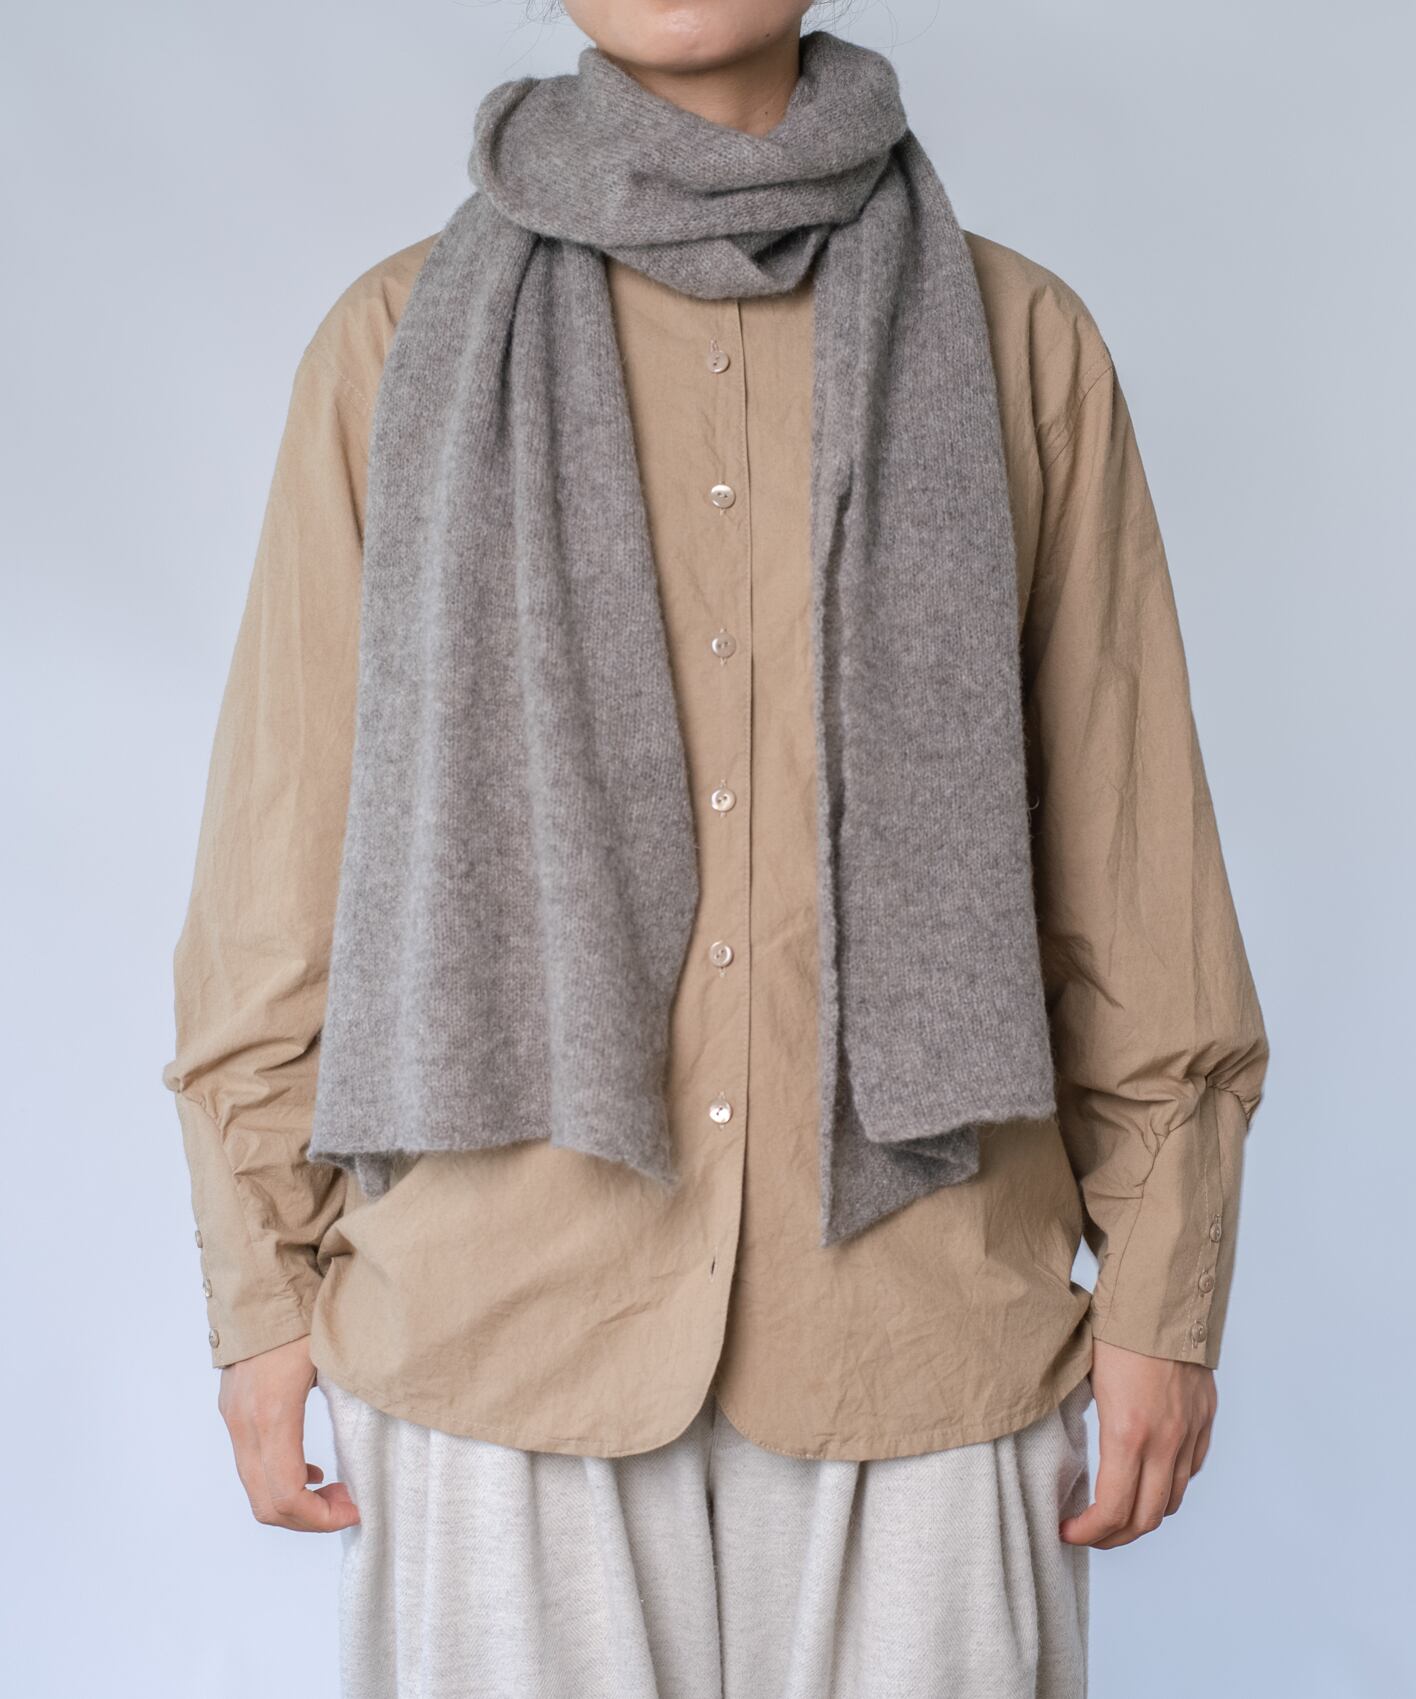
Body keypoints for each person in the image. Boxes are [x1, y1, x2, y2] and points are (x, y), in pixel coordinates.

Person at [163, 3, 1270, 1695]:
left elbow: (1137, 873)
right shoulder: (394, 347)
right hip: (497, 1339)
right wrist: (258, 1286)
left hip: (922, 1334)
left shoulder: (1016, 342)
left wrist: (1165, 1293)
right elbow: (277, 866)